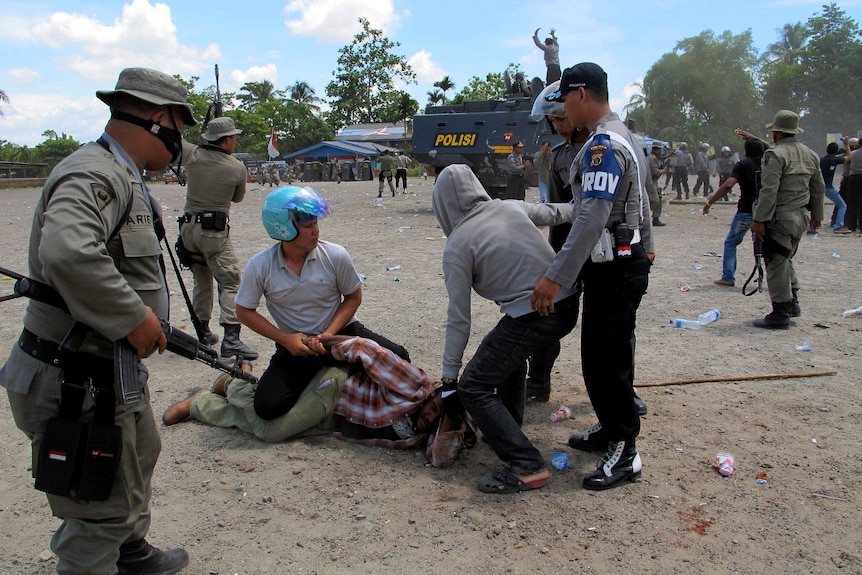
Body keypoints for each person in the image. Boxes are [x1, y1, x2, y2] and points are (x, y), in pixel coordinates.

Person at [0, 67, 191, 575]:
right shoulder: (96, 173)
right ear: (157, 119)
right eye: (180, 125)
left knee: (138, 453)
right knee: (96, 507)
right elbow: (66, 252)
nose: (180, 140)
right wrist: (132, 318)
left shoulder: (121, 171)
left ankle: (129, 550)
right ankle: (101, 553)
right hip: (76, 379)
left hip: (107, 374)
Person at [533, 62, 654, 491]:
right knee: (599, 357)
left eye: (565, 98)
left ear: (581, 94)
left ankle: (625, 454)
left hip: (616, 267)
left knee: (608, 362)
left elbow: (591, 217)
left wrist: (555, 276)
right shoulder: (618, 134)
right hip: (613, 264)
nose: (563, 108)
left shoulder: (603, 143)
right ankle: (609, 429)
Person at [431, 164, 578, 494]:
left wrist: (450, 379)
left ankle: (526, 465)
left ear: (442, 205)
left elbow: (459, 319)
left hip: (536, 315)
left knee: (475, 384)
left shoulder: (457, 246)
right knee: (502, 355)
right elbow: (557, 212)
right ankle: (509, 425)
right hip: (566, 303)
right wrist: (595, 205)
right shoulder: (509, 206)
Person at [233, 186, 410, 420]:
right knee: (267, 407)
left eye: (316, 223)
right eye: (308, 226)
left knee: (400, 359)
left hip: (340, 333)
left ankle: (334, 378)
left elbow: (353, 298)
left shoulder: (335, 255)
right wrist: (286, 339)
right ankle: (234, 380)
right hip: (297, 344)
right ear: (283, 228)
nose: (315, 230)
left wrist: (327, 335)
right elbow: (244, 311)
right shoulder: (260, 266)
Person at [178, 116, 258, 360]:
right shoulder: (236, 167)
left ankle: (203, 333)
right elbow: (237, 198)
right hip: (213, 231)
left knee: (201, 278)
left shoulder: (192, 155)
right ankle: (231, 340)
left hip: (187, 229)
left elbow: (177, 141)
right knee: (231, 280)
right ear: (226, 140)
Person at [749, 110, 824, 329]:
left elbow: (769, 190)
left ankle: (780, 312)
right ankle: (793, 303)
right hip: (801, 216)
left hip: (779, 216)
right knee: (786, 258)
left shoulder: (775, 155)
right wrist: (817, 216)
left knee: (775, 261)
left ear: (778, 132)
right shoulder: (810, 154)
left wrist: (759, 219)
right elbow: (818, 189)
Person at [704, 138, 765, 287]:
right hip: (766, 209)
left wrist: (710, 202)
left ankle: (728, 276)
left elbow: (728, 185)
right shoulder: (769, 164)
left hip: (746, 210)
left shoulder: (743, 165)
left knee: (731, 242)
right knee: (768, 244)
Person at [821, 142, 850, 233]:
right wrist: (847, 144)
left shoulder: (822, 159)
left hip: (819, 186)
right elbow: (849, 157)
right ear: (836, 151)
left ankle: (811, 226)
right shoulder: (835, 160)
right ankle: (838, 226)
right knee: (842, 205)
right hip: (829, 187)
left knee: (818, 207)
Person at [844, 136, 862, 234]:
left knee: (852, 202)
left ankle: (851, 225)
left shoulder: (854, 154)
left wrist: (846, 145)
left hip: (853, 178)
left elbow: (847, 158)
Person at [647, 142, 667, 226]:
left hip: (653, 182)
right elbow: (655, 172)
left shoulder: (652, 158)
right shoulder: (652, 158)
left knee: (658, 199)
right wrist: (663, 171)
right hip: (650, 182)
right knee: (654, 200)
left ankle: (656, 217)